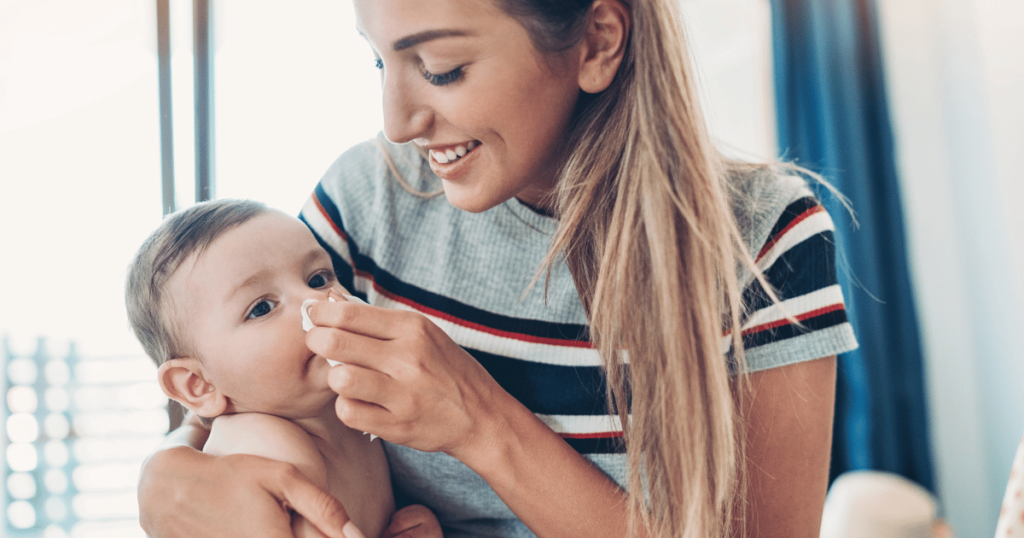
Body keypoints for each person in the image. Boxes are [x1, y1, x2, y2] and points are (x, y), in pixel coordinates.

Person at [137, 0, 859, 537]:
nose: (396, 120)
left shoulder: (762, 240)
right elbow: (236, 386)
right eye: (381, 62)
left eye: (440, 68)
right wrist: (165, 474)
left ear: (598, 42)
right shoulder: (367, 199)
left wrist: (480, 423)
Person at [125, 199, 441, 538]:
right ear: (199, 385)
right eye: (261, 308)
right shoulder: (269, 446)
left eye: (318, 279)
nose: (315, 301)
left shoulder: (344, 410)